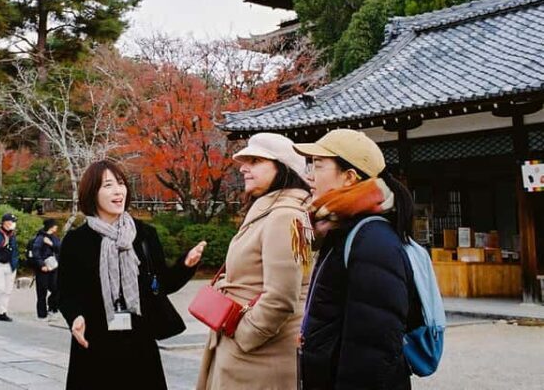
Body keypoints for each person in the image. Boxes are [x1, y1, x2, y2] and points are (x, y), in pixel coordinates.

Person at [58, 160, 206, 389]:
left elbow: (162, 284)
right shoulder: (77, 241)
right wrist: (75, 317)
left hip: (139, 343)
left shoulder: (145, 235)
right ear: (92, 193)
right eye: (108, 185)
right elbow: (66, 293)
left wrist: (185, 265)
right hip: (95, 343)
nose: (118, 191)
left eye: (121, 183)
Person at [294, 129, 418, 390]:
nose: (309, 175)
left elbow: (374, 347)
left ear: (349, 177)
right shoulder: (342, 229)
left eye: (318, 165)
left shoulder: (372, 239)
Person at [196, 132, 313, 390]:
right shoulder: (273, 212)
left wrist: (244, 335)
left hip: (259, 359)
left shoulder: (285, 216)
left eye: (256, 161)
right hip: (249, 355)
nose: (243, 168)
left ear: (283, 168)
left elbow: (281, 296)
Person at [32, 218, 61, 320]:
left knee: (56, 289)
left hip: (54, 267)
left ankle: (53, 308)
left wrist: (51, 244)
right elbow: (36, 252)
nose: (56, 227)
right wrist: (41, 265)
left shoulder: (54, 238)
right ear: (51, 227)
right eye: (55, 225)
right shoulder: (40, 238)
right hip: (43, 268)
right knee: (42, 291)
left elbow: (60, 248)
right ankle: (42, 314)